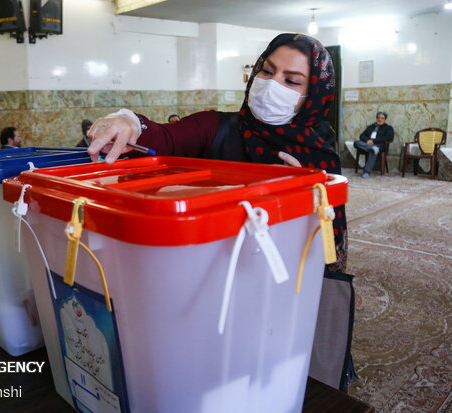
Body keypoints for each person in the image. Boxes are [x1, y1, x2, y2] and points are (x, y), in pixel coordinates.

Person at [88, 33, 355, 391]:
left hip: (282, 289)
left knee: (276, 381)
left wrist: (304, 190)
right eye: (266, 71)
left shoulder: (318, 146)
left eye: (291, 81)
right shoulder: (217, 127)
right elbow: (162, 137)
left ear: (313, 97)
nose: (271, 85)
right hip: (212, 282)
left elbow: (326, 244)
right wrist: (127, 122)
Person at [354, 112, 394, 178]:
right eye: (378, 118)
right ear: (376, 118)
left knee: (373, 150)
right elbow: (362, 136)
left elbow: (389, 137)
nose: (380, 120)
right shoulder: (371, 127)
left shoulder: (388, 128)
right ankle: (371, 148)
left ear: (385, 119)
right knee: (356, 143)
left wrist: (374, 141)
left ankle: (366, 172)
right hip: (368, 144)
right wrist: (367, 140)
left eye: (382, 118)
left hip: (379, 145)